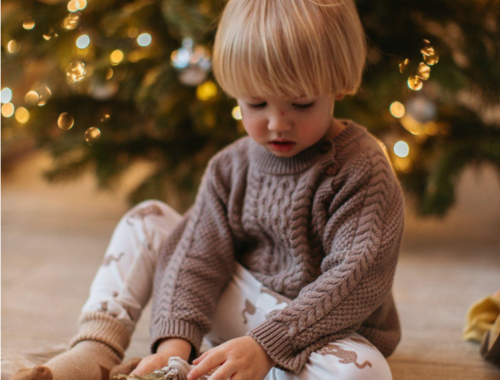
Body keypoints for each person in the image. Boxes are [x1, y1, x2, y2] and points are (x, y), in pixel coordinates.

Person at [12, 0, 404, 379]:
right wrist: (173, 346)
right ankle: (94, 352)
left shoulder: (363, 169)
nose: (276, 123)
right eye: (255, 103)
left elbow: (357, 278)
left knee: (363, 372)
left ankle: (239, 367)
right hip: (233, 306)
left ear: (338, 86)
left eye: (301, 104)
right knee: (146, 220)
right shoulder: (230, 166)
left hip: (321, 326)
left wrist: (267, 345)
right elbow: (196, 255)